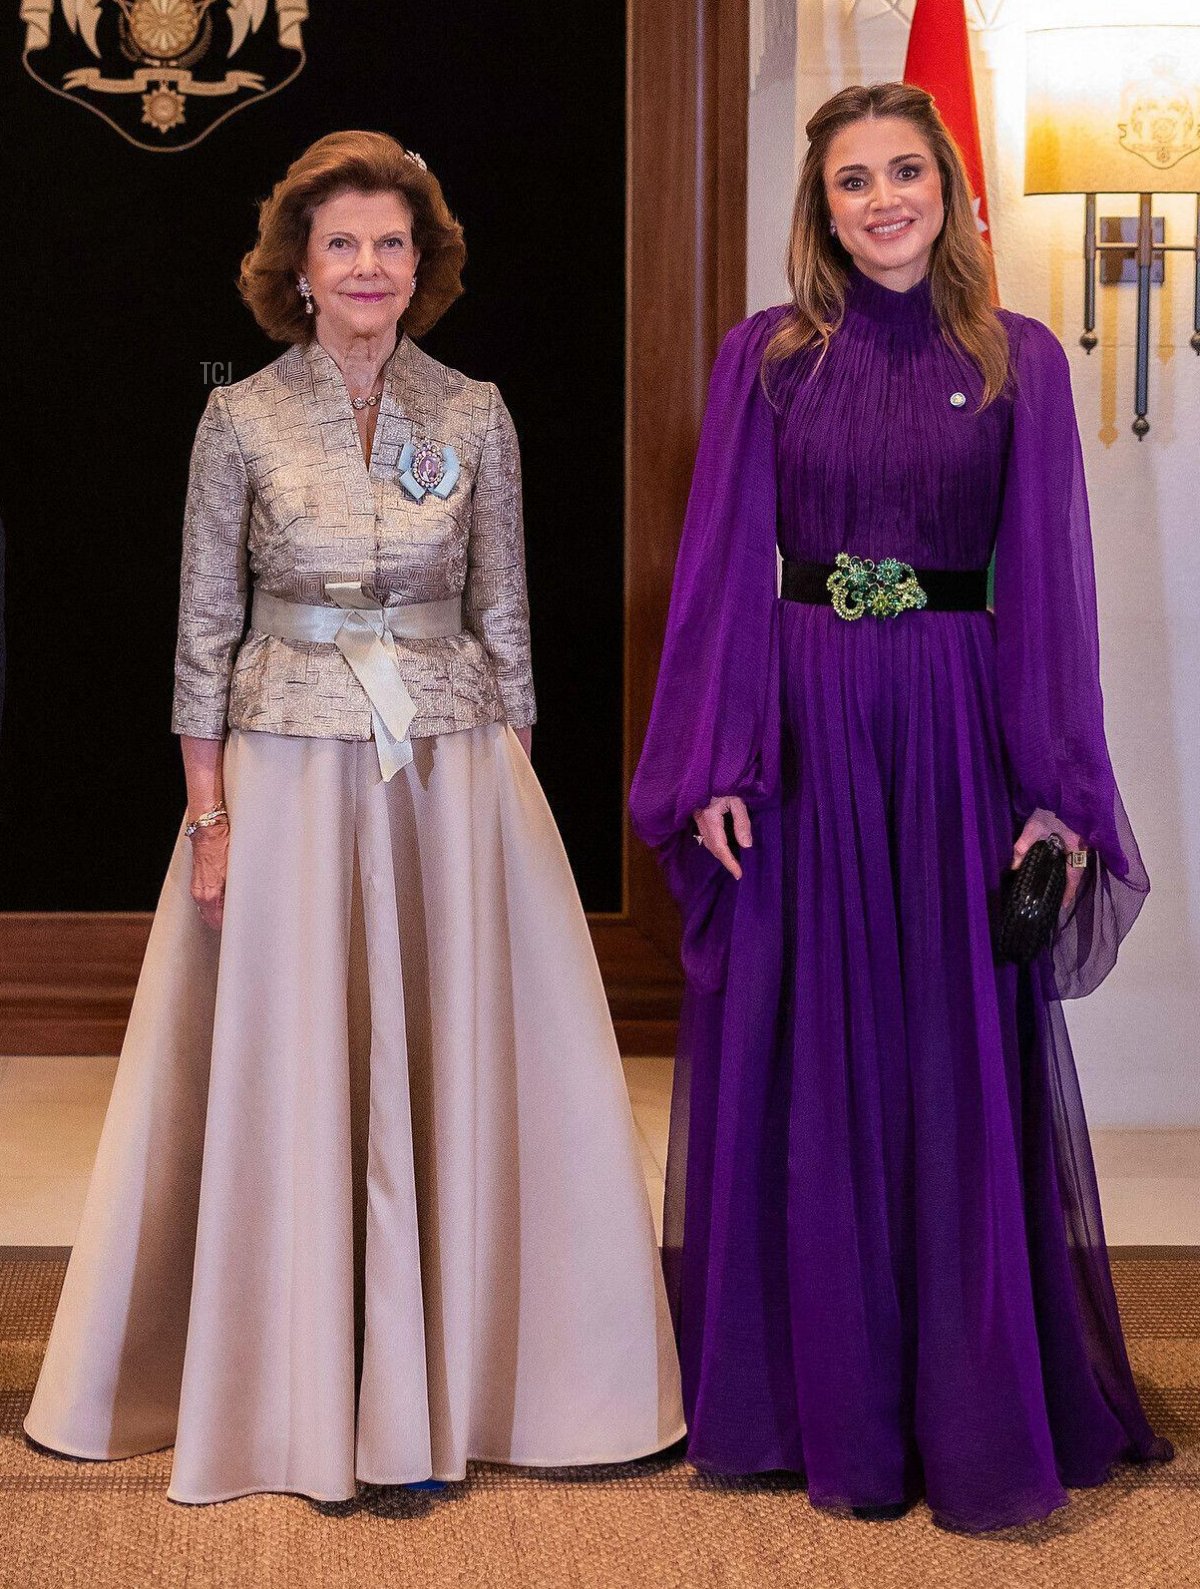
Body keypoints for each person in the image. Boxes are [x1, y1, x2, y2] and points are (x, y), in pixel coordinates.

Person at [25, 130, 683, 1504]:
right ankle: (289, 1384)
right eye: (344, 245)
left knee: (456, 1056)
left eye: (393, 244)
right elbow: (203, 626)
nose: (371, 266)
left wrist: (510, 799)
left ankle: (480, 1373)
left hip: (446, 774)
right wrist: (208, 813)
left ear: (422, 265)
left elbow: (506, 617)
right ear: (299, 273)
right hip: (284, 770)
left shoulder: (477, 411)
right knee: (295, 1059)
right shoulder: (241, 419)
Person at [629, 83, 1171, 1532]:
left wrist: (1055, 789)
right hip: (804, 731)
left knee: (943, 1053)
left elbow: (1049, 591)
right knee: (810, 1050)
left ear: (949, 191)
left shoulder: (1023, 363)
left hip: (946, 731)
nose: (882, 199)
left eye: (906, 173)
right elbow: (725, 576)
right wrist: (714, 764)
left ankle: (965, 1400)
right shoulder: (768, 361)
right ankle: (817, 1403)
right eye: (855, 180)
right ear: (822, 207)